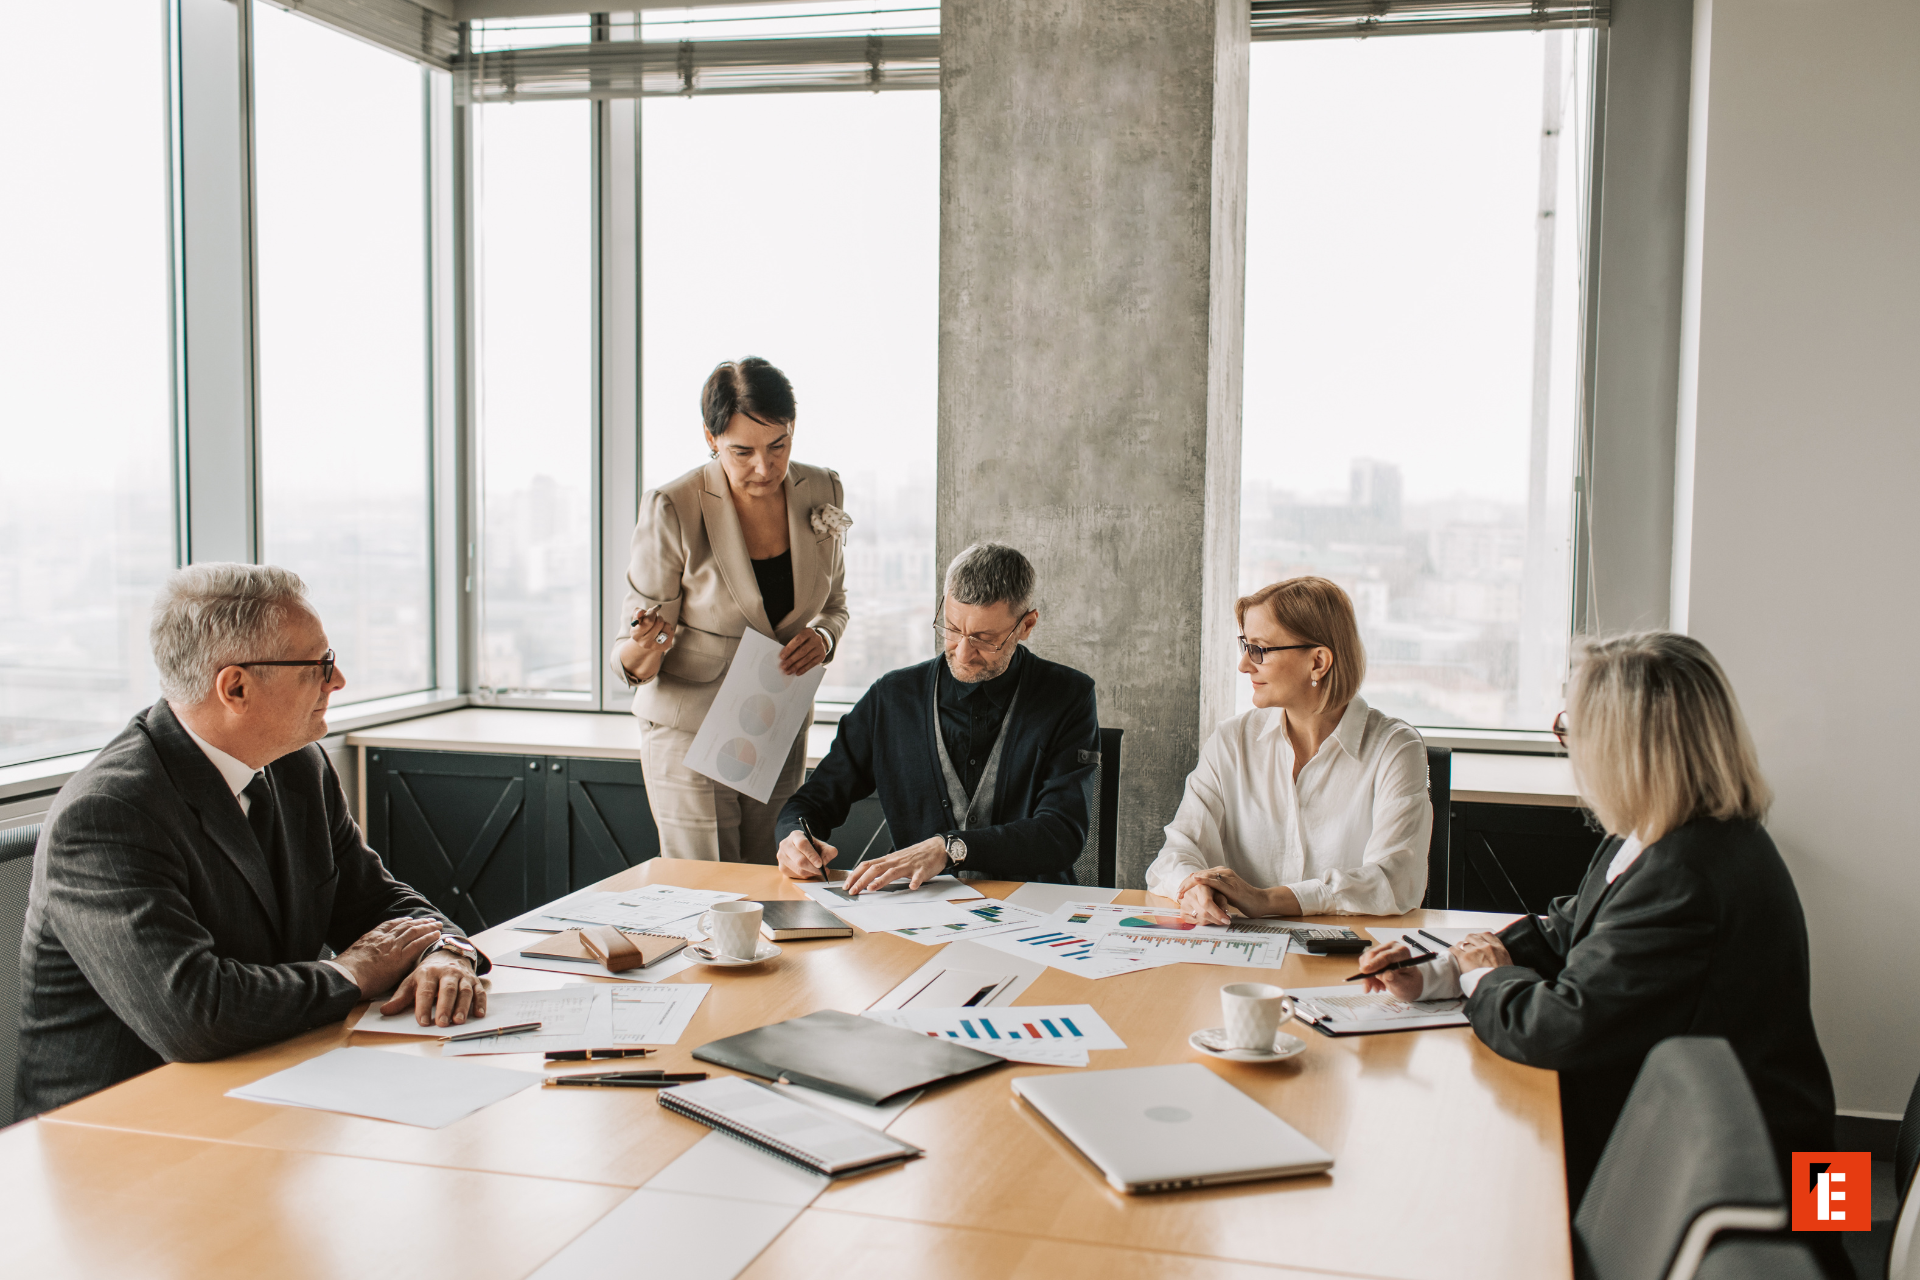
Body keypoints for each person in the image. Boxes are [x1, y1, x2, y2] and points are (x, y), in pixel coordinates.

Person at [1357, 632, 1839, 1219]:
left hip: (1755, 1184)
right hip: (1722, 1135)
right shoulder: (1664, 834)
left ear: (1625, 750)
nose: (1567, 749)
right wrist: (1441, 970)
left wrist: (1484, 979)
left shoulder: (1688, 876)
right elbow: (1568, 932)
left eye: (1572, 730)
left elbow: (1562, 1029)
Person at [15, 564, 489, 1120]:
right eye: (320, 666)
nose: (337, 683)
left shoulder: (296, 765)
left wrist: (445, 954)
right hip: (122, 1129)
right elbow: (192, 1013)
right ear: (235, 686)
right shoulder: (108, 814)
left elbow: (378, 904)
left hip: (270, 1081)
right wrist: (354, 972)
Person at [610, 357, 849, 864]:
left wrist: (824, 637)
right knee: (711, 893)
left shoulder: (823, 489)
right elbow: (629, 661)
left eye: (778, 446)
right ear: (710, 438)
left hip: (776, 718)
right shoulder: (673, 506)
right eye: (742, 451)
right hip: (690, 731)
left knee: (777, 880)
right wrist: (646, 644)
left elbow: (835, 604)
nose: (764, 467)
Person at [774, 542, 1098, 890]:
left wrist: (949, 848)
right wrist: (794, 837)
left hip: (1034, 909)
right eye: (953, 628)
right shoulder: (891, 698)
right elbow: (813, 799)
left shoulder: (1068, 696)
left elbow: (1061, 834)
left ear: (1026, 625)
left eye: (985, 639)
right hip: (918, 914)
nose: (963, 652)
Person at [1145, 576, 1430, 923]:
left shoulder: (1395, 749)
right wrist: (1193, 887)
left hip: (1352, 962)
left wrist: (1266, 900)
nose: (1244, 665)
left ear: (1318, 662)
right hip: (1238, 956)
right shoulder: (1231, 740)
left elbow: (1394, 881)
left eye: (1260, 650)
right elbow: (1175, 853)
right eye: (1245, 646)